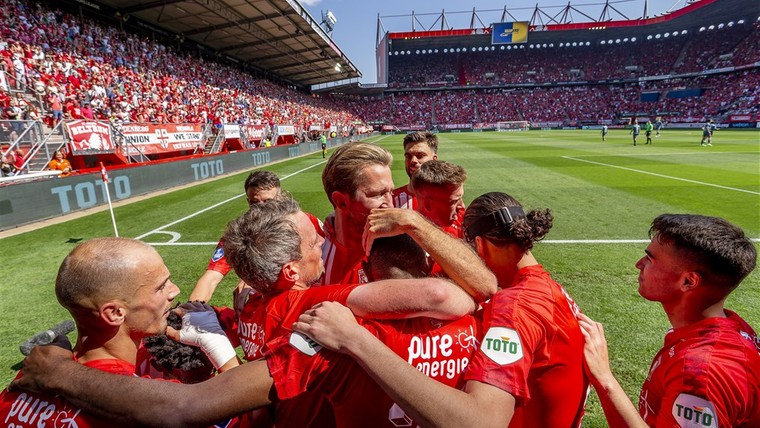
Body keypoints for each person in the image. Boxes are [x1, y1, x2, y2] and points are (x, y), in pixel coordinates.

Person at [10, 200, 495, 428]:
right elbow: (450, 296)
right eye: (312, 243)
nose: (176, 291)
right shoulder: (312, 309)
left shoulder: (241, 306)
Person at [293, 191, 589, 427]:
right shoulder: (547, 288)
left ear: (481, 248)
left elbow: (482, 421)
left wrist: (356, 340)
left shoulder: (513, 307)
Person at [0, 238, 237, 427]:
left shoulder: (23, 383)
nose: (174, 291)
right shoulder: (149, 409)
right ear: (114, 313)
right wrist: (223, 354)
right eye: (161, 286)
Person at [577, 214, 760, 427]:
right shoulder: (731, 327)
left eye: (650, 259)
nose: (639, 264)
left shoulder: (700, 374)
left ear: (688, 281)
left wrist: (604, 378)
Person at [188, 170, 288, 303]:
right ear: (248, 201)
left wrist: (253, 280)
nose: (262, 208)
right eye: (255, 203)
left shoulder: (301, 224)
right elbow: (211, 277)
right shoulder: (238, 233)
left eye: (268, 201)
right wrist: (191, 311)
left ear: (279, 198)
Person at [319, 142, 395, 285]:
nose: (390, 204)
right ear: (341, 201)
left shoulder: (406, 249)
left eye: (391, 192)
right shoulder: (312, 258)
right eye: (377, 194)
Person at [411, 160, 466, 238]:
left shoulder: (463, 224)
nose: (462, 206)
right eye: (454, 201)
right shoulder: (407, 241)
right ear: (428, 204)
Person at [393, 131, 438, 210]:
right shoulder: (391, 200)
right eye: (408, 156)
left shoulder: (449, 199)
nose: (413, 160)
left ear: (434, 160)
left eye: (420, 156)